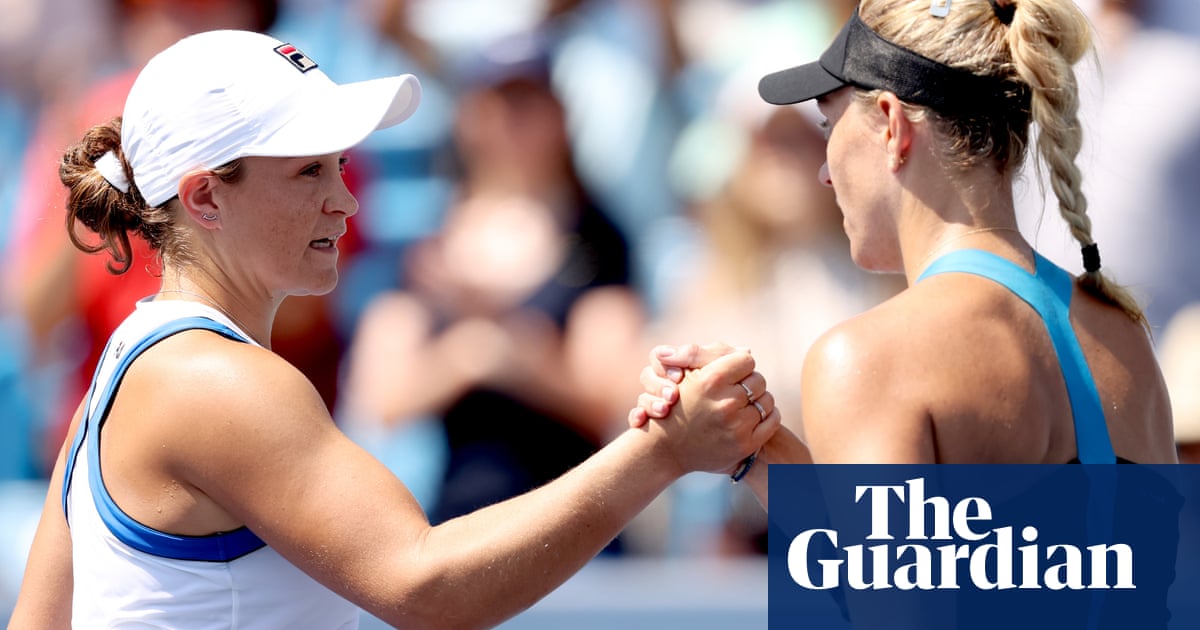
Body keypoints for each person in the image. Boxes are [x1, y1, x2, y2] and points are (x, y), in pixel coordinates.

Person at [6, 29, 779, 628]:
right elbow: (426, 588)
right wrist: (661, 454)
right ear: (205, 198)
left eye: (339, 167)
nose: (344, 201)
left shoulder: (128, 370)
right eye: (309, 171)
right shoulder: (217, 381)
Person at [632, 0, 1179, 509]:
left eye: (829, 124)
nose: (823, 171)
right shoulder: (1123, 337)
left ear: (893, 127)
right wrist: (755, 446)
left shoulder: (864, 358)